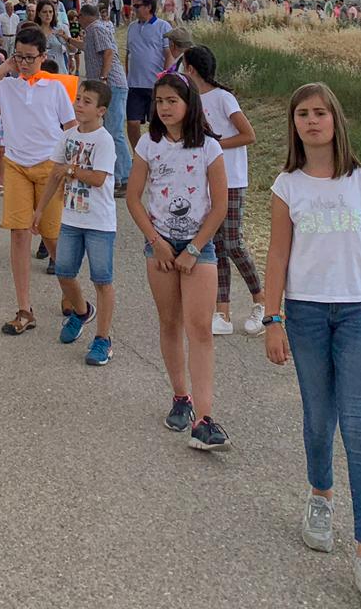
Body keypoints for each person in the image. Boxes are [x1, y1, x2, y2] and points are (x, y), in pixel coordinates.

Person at [262, 82, 361, 608]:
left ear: (336, 120)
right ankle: (320, 498)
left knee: (358, 426)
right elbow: (277, 258)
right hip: (306, 313)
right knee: (317, 418)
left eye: (320, 112)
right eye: (302, 113)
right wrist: (272, 318)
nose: (312, 121)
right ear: (294, 124)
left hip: (358, 311)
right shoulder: (287, 186)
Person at [126, 70, 229, 451]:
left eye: (172, 101)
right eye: (160, 101)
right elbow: (134, 198)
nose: (165, 108)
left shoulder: (209, 148)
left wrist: (194, 249)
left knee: (199, 327)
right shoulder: (148, 146)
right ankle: (180, 396)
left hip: (199, 246)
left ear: (189, 104)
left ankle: (204, 417)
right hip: (161, 245)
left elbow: (219, 205)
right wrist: (157, 241)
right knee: (169, 321)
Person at [0, 22, 77, 335]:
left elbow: (70, 127)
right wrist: (5, 66)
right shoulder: (7, 86)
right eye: (20, 57)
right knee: (18, 234)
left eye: (30, 57)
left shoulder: (55, 88)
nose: (24, 63)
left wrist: (68, 167)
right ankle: (24, 308)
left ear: (43, 56)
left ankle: (69, 290)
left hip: (48, 165)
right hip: (15, 164)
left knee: (52, 234)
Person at [31, 77, 117, 365]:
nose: (79, 104)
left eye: (86, 101)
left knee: (102, 279)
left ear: (101, 110)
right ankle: (81, 312)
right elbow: (55, 174)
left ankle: (103, 339)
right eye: (78, 99)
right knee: (64, 272)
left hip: (99, 222)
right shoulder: (67, 137)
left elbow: (98, 178)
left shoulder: (104, 140)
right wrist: (40, 210)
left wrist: (71, 169)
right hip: (71, 218)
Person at [183, 45, 264, 337]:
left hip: (231, 180)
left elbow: (248, 134)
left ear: (191, 69)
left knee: (232, 243)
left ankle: (261, 302)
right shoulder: (192, 100)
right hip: (206, 182)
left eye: (183, 67)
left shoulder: (222, 98)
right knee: (216, 247)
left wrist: (215, 145)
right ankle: (223, 312)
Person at [78, 0, 130, 194]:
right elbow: (87, 48)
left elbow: (108, 52)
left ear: (84, 16)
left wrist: (103, 78)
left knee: (114, 131)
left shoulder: (96, 29)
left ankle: (124, 177)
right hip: (106, 85)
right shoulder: (93, 30)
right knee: (109, 130)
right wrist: (67, 39)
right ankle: (116, 175)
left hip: (111, 85)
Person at [125, 0, 172, 151]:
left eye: (137, 6)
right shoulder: (131, 27)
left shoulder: (163, 26)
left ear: (149, 7)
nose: (134, 9)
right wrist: (127, 76)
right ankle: (139, 154)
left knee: (157, 124)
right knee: (132, 122)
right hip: (134, 85)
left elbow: (169, 54)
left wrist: (165, 78)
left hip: (155, 85)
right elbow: (128, 54)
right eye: (133, 5)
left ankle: (158, 153)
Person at [35, 0, 71, 73]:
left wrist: (66, 39)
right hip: (40, 70)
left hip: (59, 69)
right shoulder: (34, 31)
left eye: (50, 12)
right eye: (44, 12)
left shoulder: (61, 28)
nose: (48, 15)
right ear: (38, 14)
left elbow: (73, 50)